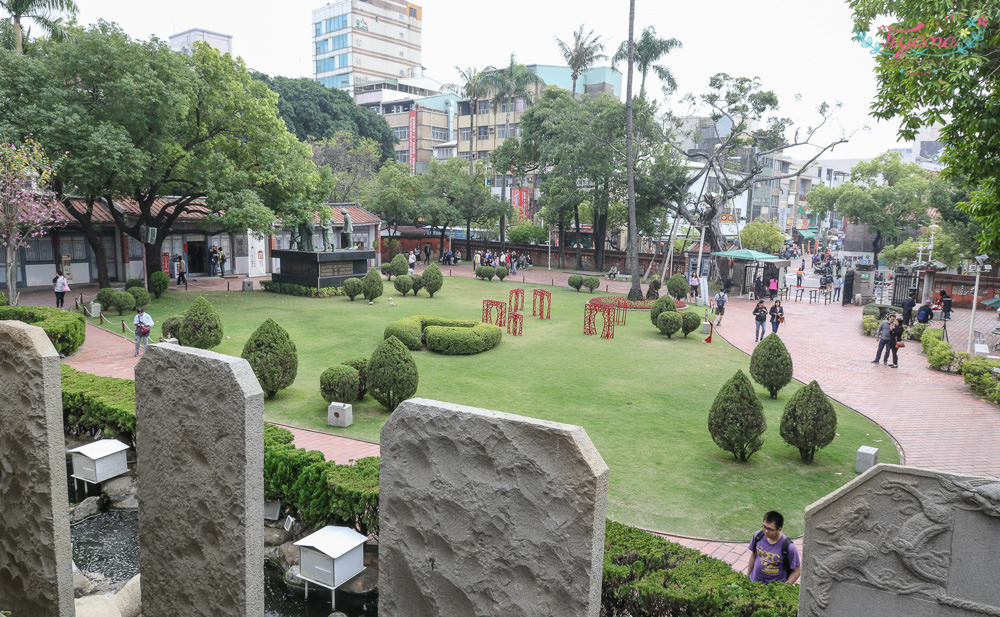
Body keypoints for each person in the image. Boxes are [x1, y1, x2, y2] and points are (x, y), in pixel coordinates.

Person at [746, 511, 801, 585]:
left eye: (770, 529)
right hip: (754, 583)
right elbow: (753, 555)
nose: (766, 531)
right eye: (764, 526)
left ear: (779, 529)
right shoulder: (758, 536)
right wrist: (747, 577)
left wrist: (783, 588)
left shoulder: (788, 547)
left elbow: (797, 571)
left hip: (772, 591)